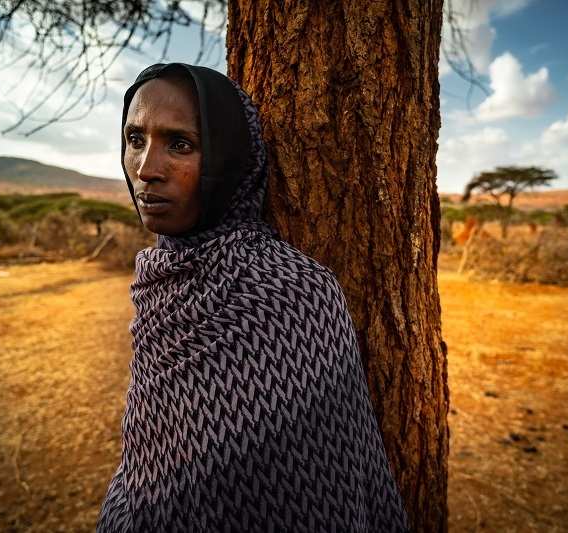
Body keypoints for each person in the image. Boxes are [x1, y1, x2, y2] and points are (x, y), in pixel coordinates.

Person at [96, 62, 409, 533]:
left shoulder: (296, 291)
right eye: (135, 139)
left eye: (180, 144)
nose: (146, 169)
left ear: (228, 159)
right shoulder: (159, 282)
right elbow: (150, 462)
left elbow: (326, 487)